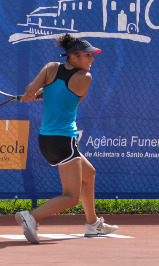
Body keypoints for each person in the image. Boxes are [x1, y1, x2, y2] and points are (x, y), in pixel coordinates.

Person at [14, 33, 119, 244]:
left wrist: (31, 94)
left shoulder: (50, 68)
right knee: (71, 197)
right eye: (88, 56)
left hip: (46, 140)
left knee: (89, 174)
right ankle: (31, 217)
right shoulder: (85, 78)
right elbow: (72, 102)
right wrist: (42, 94)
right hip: (64, 140)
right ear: (73, 56)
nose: (92, 60)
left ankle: (92, 224)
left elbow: (34, 90)